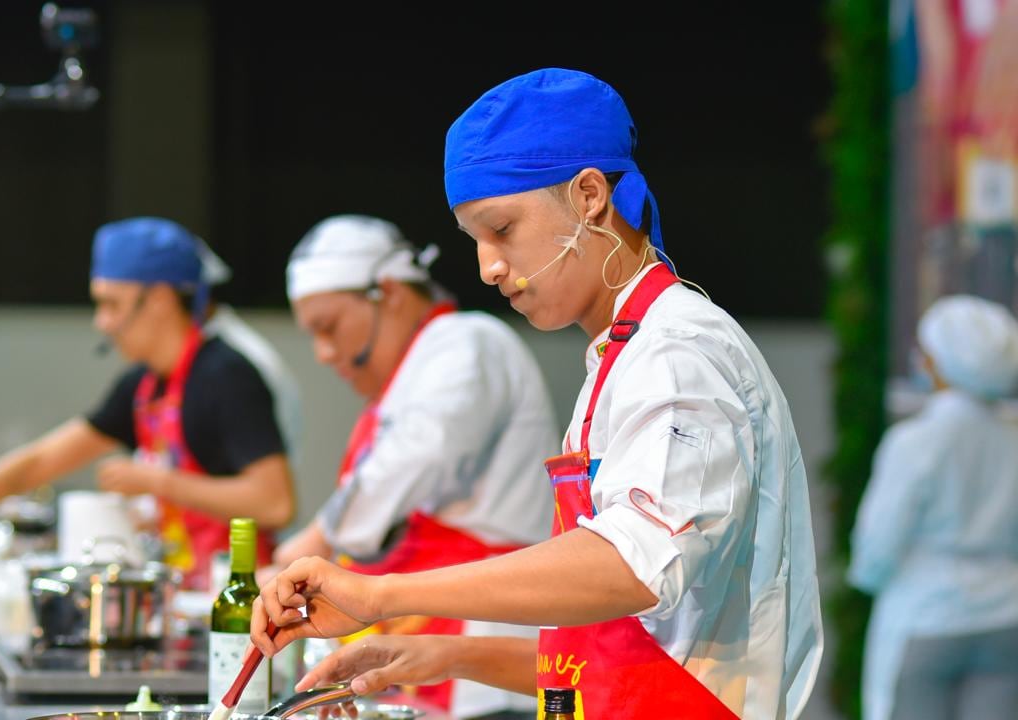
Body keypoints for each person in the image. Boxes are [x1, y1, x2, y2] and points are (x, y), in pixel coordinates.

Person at [252, 68, 823, 720]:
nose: (488, 268)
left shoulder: (678, 354)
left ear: (588, 196)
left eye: (502, 230)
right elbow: (619, 652)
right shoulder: (621, 355)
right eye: (475, 242)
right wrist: (448, 656)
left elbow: (631, 568)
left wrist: (384, 594)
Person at [0, 217, 297, 589]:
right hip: (184, 592)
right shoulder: (144, 385)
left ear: (157, 298)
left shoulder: (226, 376)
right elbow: (39, 463)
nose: (101, 322)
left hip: (239, 602)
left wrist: (158, 483)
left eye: (112, 304)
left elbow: (274, 502)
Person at [269, 214, 558, 717]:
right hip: (427, 644)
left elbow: (415, 458)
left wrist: (317, 538)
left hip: (487, 657)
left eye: (330, 327)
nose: (322, 353)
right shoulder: (414, 371)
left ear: (389, 293)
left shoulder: (469, 342)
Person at [849, 295, 1018, 720]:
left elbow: (878, 543)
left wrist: (868, 576)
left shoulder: (917, 441)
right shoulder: (1011, 439)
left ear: (940, 365)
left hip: (927, 614)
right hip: (1005, 617)